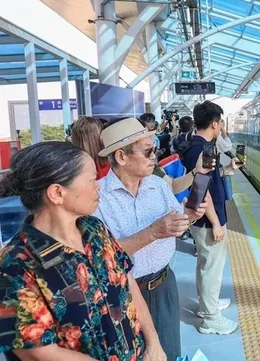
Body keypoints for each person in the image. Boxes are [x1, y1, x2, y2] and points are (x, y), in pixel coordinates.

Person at [0, 141, 166, 361]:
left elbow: (126, 280)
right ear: (57, 193)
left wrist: (153, 342)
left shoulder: (94, 229)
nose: (98, 186)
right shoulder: (17, 265)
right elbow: (37, 350)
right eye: (91, 180)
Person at [92, 118, 209, 360]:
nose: (154, 156)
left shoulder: (158, 185)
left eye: (154, 147)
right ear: (122, 157)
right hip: (122, 294)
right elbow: (101, 256)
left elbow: (175, 225)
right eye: (148, 151)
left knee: (169, 351)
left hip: (164, 284)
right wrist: (153, 232)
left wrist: (190, 215)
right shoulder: (97, 198)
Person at [180, 101, 243, 335]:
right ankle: (210, 318)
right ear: (215, 123)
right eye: (220, 124)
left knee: (206, 264)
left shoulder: (201, 147)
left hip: (205, 218)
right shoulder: (200, 150)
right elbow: (202, 190)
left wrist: (227, 170)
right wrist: (216, 223)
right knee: (212, 269)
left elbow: (210, 178)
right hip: (208, 220)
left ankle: (209, 303)